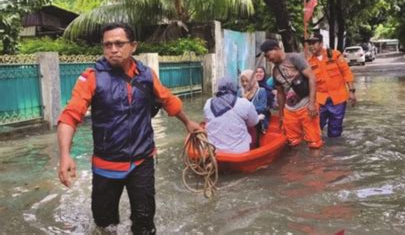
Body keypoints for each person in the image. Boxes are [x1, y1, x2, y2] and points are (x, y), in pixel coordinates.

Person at [56, 22, 201, 234]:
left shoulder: (147, 75)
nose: (113, 49)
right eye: (107, 45)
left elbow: (169, 101)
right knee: (105, 225)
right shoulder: (91, 78)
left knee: (144, 224)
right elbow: (70, 116)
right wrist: (65, 155)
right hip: (106, 165)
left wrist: (188, 122)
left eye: (119, 43)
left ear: (133, 46)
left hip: (141, 162)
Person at [260, 40, 324, 149]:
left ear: (276, 49)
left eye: (268, 55)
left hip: (306, 105)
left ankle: (315, 164)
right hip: (289, 110)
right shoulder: (275, 70)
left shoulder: (294, 58)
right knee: (292, 142)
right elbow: (280, 94)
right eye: (266, 57)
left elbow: (312, 77)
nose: (268, 59)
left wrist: (312, 103)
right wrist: (281, 115)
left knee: (314, 143)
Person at [305, 34, 356, 138]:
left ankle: (334, 151)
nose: (311, 46)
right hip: (320, 100)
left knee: (335, 130)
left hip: (338, 99)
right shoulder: (309, 63)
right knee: (315, 127)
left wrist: (351, 91)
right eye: (309, 44)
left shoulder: (334, 55)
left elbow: (346, 72)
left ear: (321, 43)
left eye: (313, 43)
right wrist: (310, 103)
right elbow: (308, 83)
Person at [203, 76, 259, 153]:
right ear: (234, 88)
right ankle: (256, 149)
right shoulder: (244, 103)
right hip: (239, 151)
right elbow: (253, 122)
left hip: (213, 150)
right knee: (253, 129)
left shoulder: (207, 103)